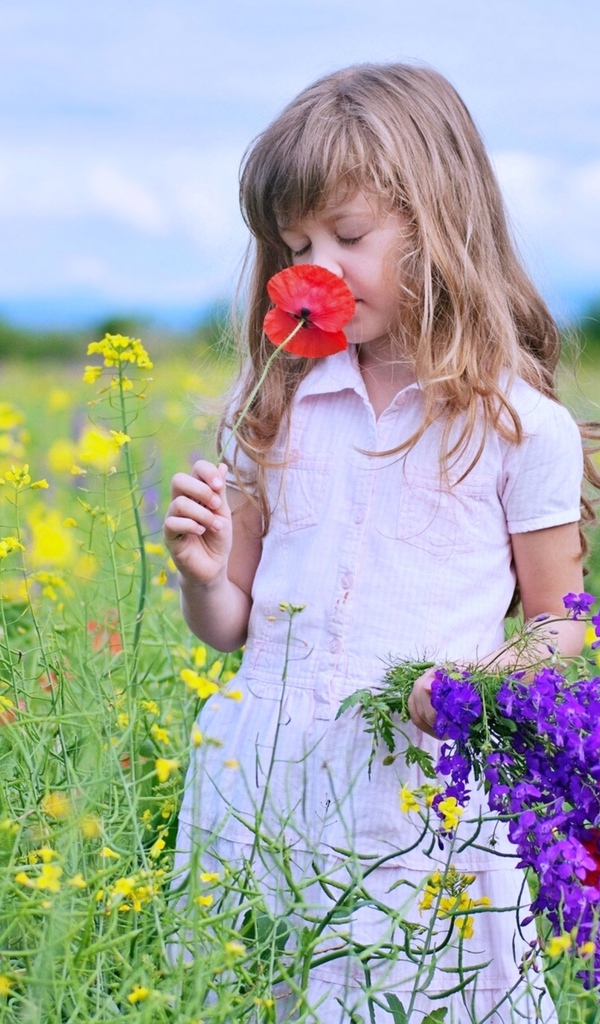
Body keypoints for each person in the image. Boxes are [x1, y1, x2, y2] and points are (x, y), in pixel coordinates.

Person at [164, 63, 598, 1023]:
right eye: (294, 243)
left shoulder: (524, 429)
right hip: (262, 775)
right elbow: (231, 626)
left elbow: (561, 624)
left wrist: (471, 687)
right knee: (254, 989)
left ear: (441, 225)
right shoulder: (269, 405)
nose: (312, 265)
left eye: (347, 236)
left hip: (418, 788)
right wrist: (202, 575)